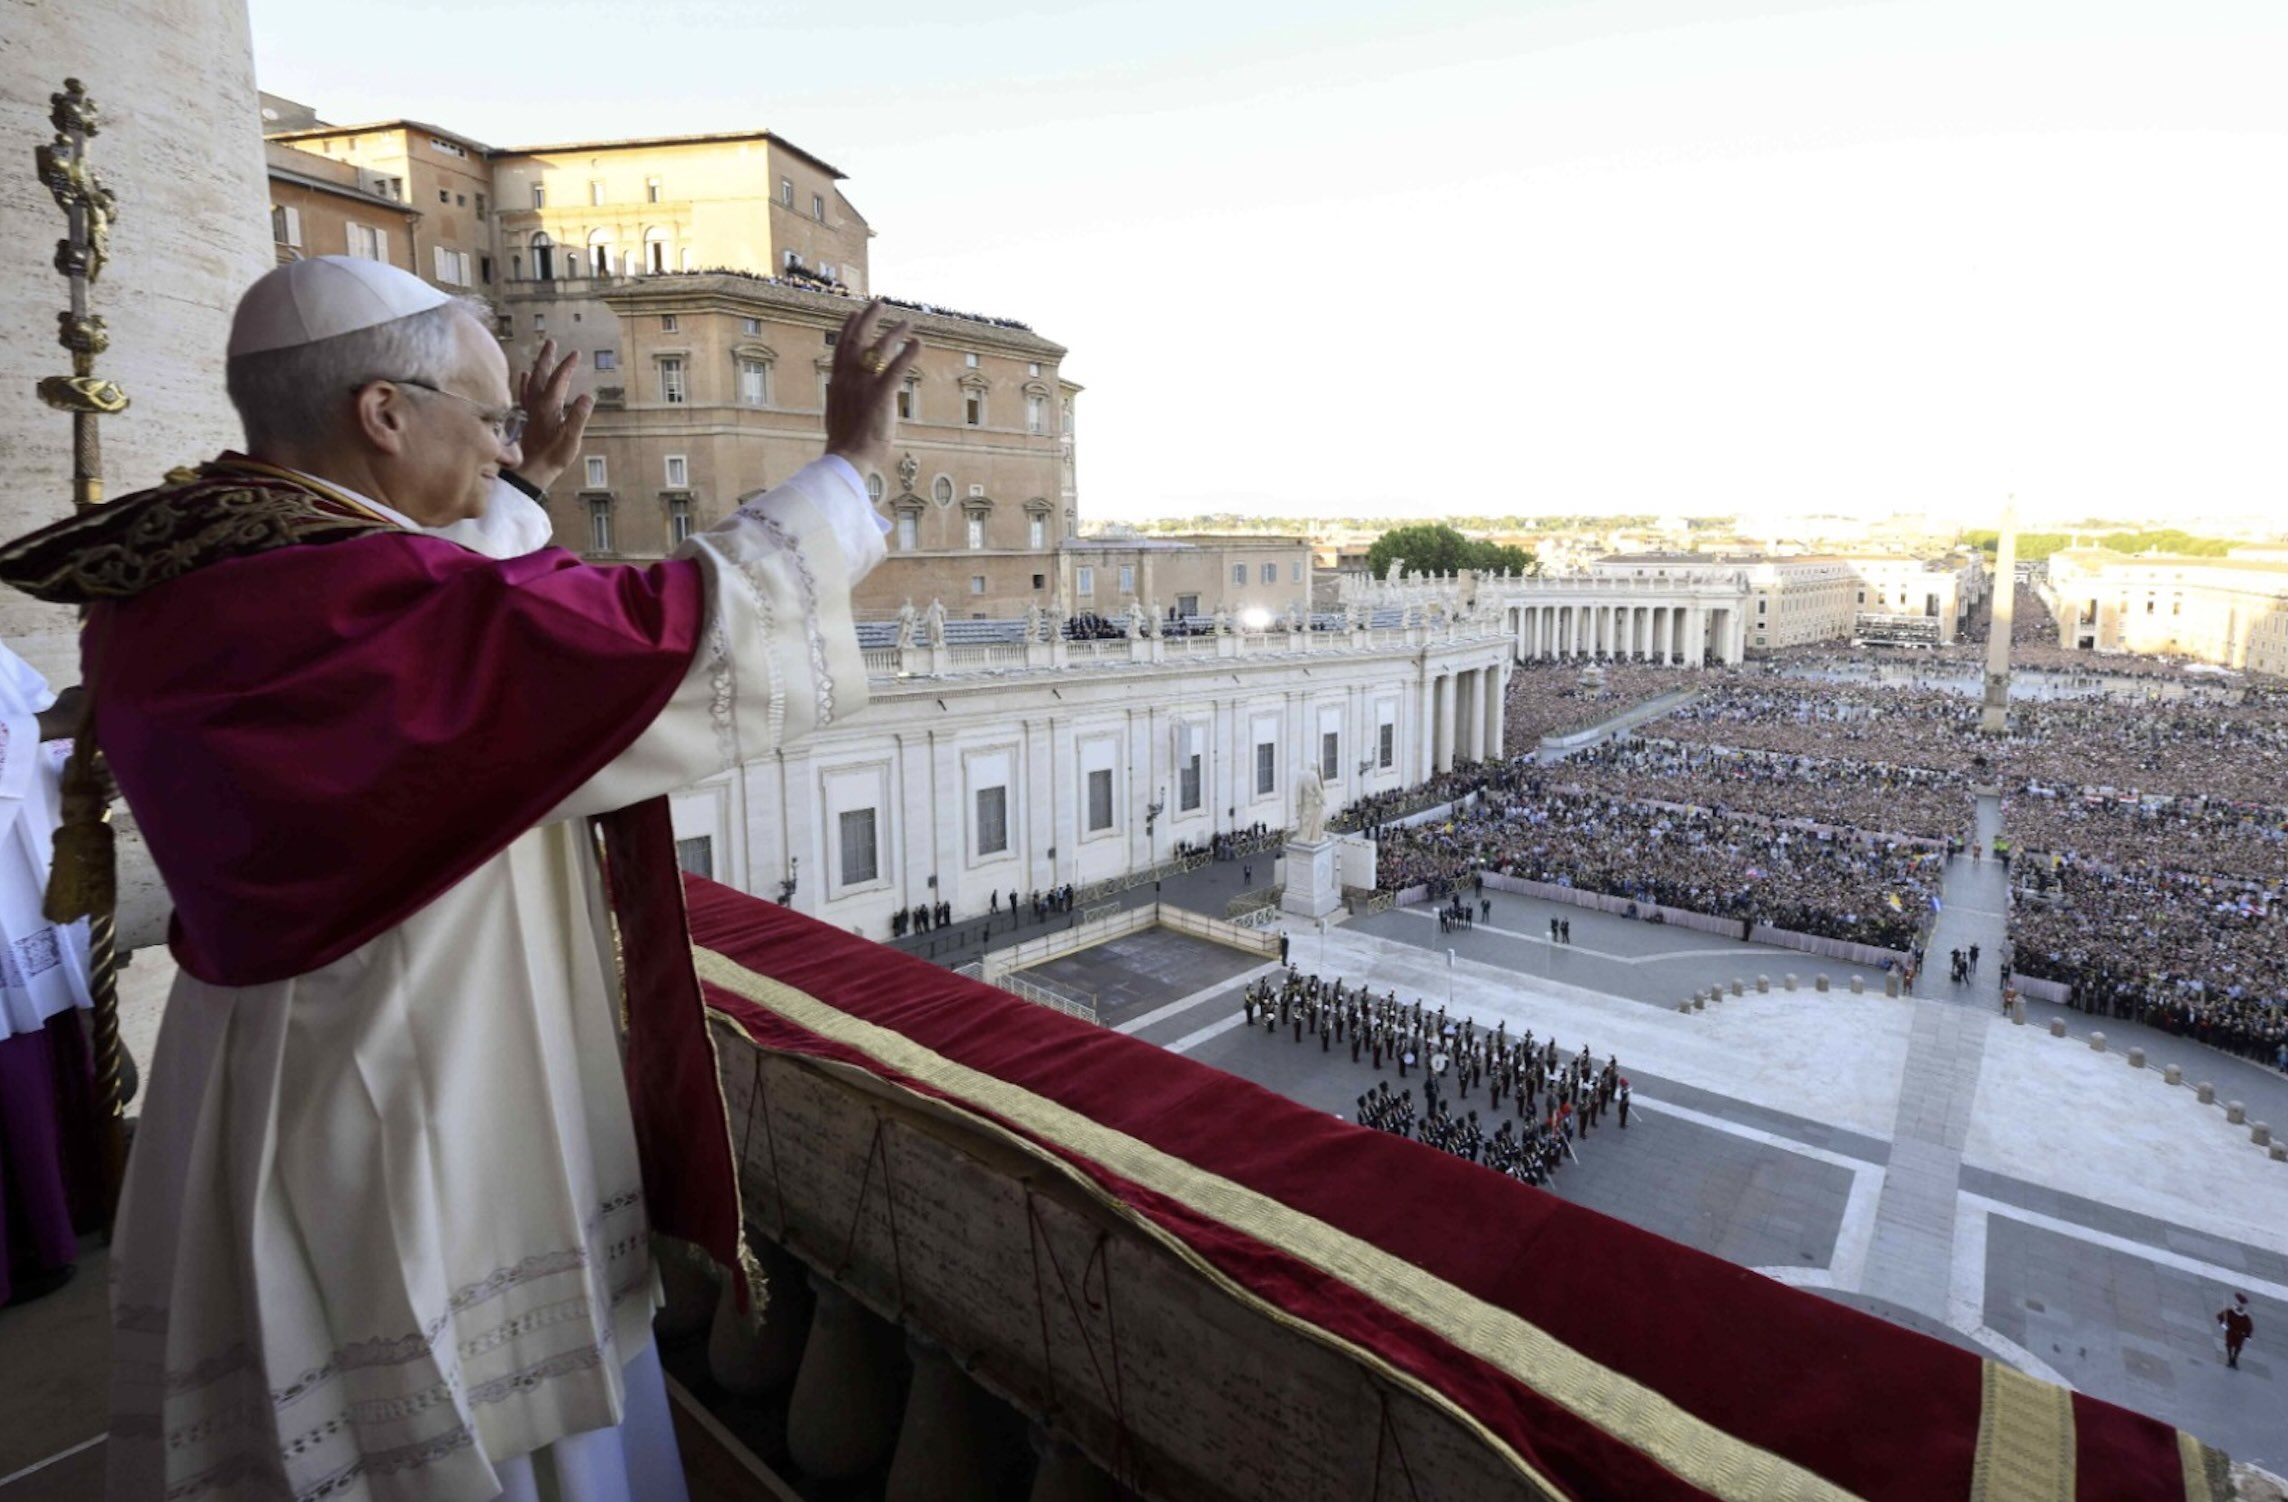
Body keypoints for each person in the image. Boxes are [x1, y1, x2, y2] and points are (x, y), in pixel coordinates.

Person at [0, 257, 923, 1502]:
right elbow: (659, 626)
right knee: (453, 1407)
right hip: (415, 1076)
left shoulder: (190, 570)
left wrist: (528, 477)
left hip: (260, 1065)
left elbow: (460, 600)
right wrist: (851, 469)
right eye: (484, 422)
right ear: (383, 414)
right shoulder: (365, 607)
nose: (499, 453)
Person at [0, 645, 99, 1308]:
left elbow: (32, 717)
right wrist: (59, 722)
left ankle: (67, 1209)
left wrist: (79, 757)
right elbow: (37, 721)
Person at [2218, 1293, 2254, 1369]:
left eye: (2242, 1305)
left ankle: (2234, 1360)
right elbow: (2220, 1316)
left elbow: (2249, 1327)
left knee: (2238, 1348)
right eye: (2240, 1304)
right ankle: (2230, 1358)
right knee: (2229, 1345)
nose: (2241, 1306)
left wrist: (2248, 1335)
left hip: (2240, 1335)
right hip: (2230, 1332)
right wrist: (2223, 1324)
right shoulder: (2230, 1312)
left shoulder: (2245, 1317)